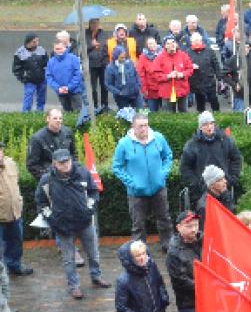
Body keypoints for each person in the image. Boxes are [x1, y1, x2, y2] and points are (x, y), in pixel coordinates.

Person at [36, 149, 112, 299]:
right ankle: (74, 286)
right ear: (54, 164)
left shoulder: (83, 173)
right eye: (61, 163)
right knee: (69, 259)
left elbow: (93, 192)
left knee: (93, 253)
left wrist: (89, 209)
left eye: (67, 161)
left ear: (71, 160)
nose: (65, 165)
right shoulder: (46, 180)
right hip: (62, 226)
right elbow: (41, 202)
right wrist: (52, 219)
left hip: (85, 223)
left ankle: (96, 277)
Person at [112, 114, 174, 248]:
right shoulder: (124, 144)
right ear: (133, 127)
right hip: (136, 193)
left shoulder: (158, 138)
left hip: (158, 188)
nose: (144, 129)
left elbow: (168, 156)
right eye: (140, 126)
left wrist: (163, 173)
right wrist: (132, 182)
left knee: (164, 219)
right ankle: (139, 250)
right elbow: (117, 167)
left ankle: (168, 245)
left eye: (146, 125)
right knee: (138, 225)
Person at [115, 240, 170, 312]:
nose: (142, 257)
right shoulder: (124, 280)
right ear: (131, 258)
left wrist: (163, 298)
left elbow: (160, 283)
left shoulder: (151, 267)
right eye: (138, 255)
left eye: (144, 253)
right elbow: (121, 308)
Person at [179, 110, 243, 206]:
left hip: (224, 190)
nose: (209, 127)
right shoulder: (192, 145)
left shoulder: (225, 140)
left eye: (211, 123)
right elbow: (185, 168)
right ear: (200, 127)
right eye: (205, 124)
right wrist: (198, 185)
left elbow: (236, 158)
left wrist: (230, 179)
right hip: (202, 193)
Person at [165, 211, 202, 312]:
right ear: (179, 227)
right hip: (189, 304)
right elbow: (181, 282)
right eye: (189, 226)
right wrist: (205, 287)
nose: (194, 229)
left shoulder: (203, 239)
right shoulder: (174, 252)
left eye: (196, 225)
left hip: (208, 300)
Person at [0, 143, 30, 276]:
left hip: (14, 212)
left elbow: (15, 182)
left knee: (16, 242)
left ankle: (14, 265)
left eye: (0, 150)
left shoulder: (10, 163)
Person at [27, 108, 77, 180]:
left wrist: (73, 170)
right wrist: (46, 178)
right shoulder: (37, 138)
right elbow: (32, 164)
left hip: (69, 177)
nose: (58, 121)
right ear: (48, 119)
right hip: (49, 177)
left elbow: (74, 154)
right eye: (55, 118)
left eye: (60, 118)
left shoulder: (68, 132)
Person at [45, 41, 84, 112]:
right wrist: (58, 88)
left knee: (78, 111)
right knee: (67, 112)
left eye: (60, 48)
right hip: (61, 92)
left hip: (75, 91)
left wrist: (69, 87)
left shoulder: (74, 59)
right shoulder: (51, 62)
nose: (58, 50)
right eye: (56, 49)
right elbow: (49, 77)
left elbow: (77, 75)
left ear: (65, 48)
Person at [12, 33, 47, 112]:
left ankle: (40, 112)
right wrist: (23, 78)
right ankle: (26, 114)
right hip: (29, 80)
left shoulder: (41, 50)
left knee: (41, 98)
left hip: (42, 79)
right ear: (28, 42)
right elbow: (16, 68)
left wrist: (46, 74)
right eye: (34, 42)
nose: (37, 43)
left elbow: (47, 63)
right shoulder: (20, 52)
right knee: (28, 97)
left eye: (37, 41)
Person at [186, 33, 221, 112]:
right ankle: (201, 118)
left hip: (209, 80)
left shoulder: (209, 50)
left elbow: (216, 64)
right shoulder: (188, 52)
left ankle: (218, 115)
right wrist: (191, 66)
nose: (196, 42)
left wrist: (219, 77)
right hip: (196, 81)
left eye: (198, 40)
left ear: (201, 41)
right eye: (194, 41)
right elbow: (185, 66)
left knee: (213, 100)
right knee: (200, 103)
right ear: (191, 42)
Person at [194, 165, 234, 230]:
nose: (225, 181)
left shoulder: (224, 196)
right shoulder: (204, 206)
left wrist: (227, 198)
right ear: (211, 185)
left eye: (224, 178)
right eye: (220, 180)